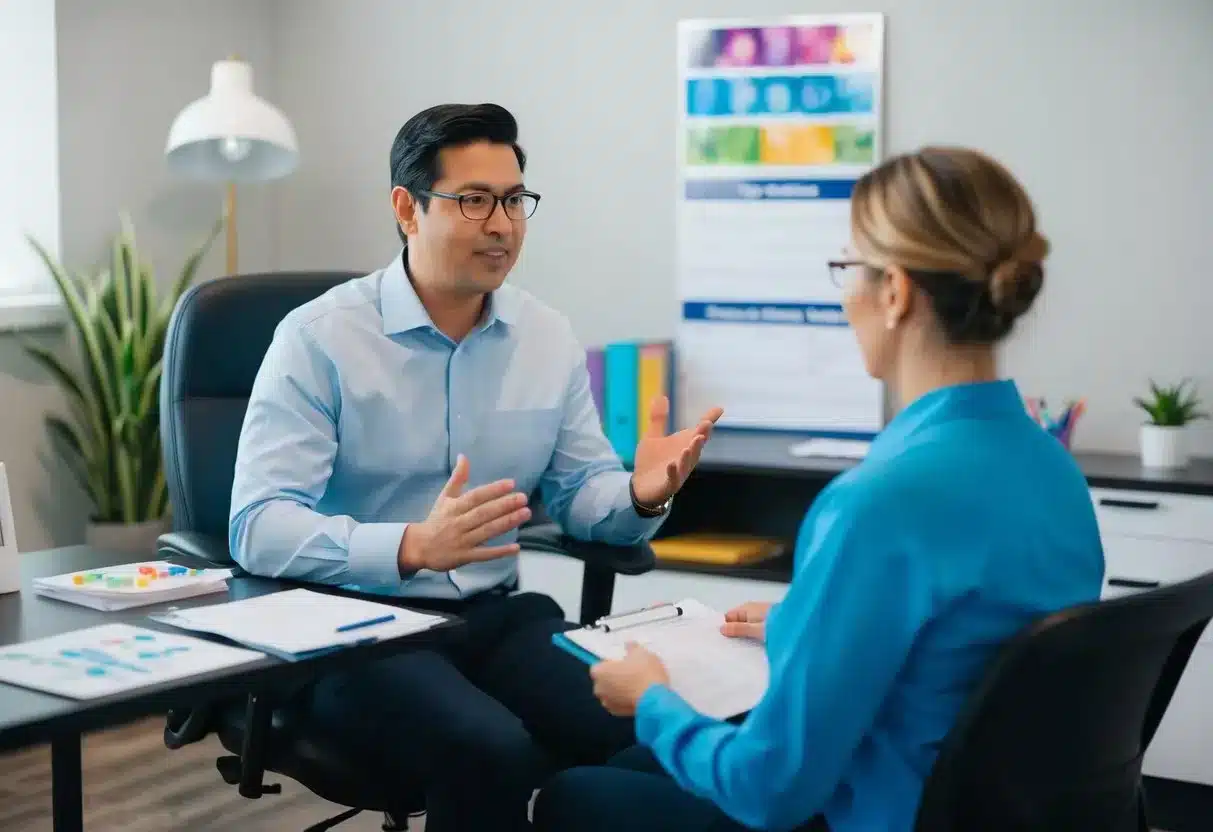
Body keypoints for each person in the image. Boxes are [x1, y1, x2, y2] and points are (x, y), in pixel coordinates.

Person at [531, 146, 1106, 832]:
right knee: (633, 774)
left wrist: (651, 700)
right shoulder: (1050, 467)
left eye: (846, 269)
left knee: (575, 795)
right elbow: (969, 652)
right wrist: (812, 630)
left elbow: (770, 791)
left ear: (892, 291)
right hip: (993, 808)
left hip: (878, 812)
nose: (843, 294)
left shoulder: (878, 504)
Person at [227, 102, 723, 832]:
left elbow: (582, 494)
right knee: (489, 748)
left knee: (650, 723)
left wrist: (641, 495)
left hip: (494, 619)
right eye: (474, 201)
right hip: (355, 629)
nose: (502, 224)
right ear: (407, 208)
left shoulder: (544, 336)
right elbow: (256, 525)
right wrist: (408, 547)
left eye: (515, 200)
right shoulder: (318, 339)